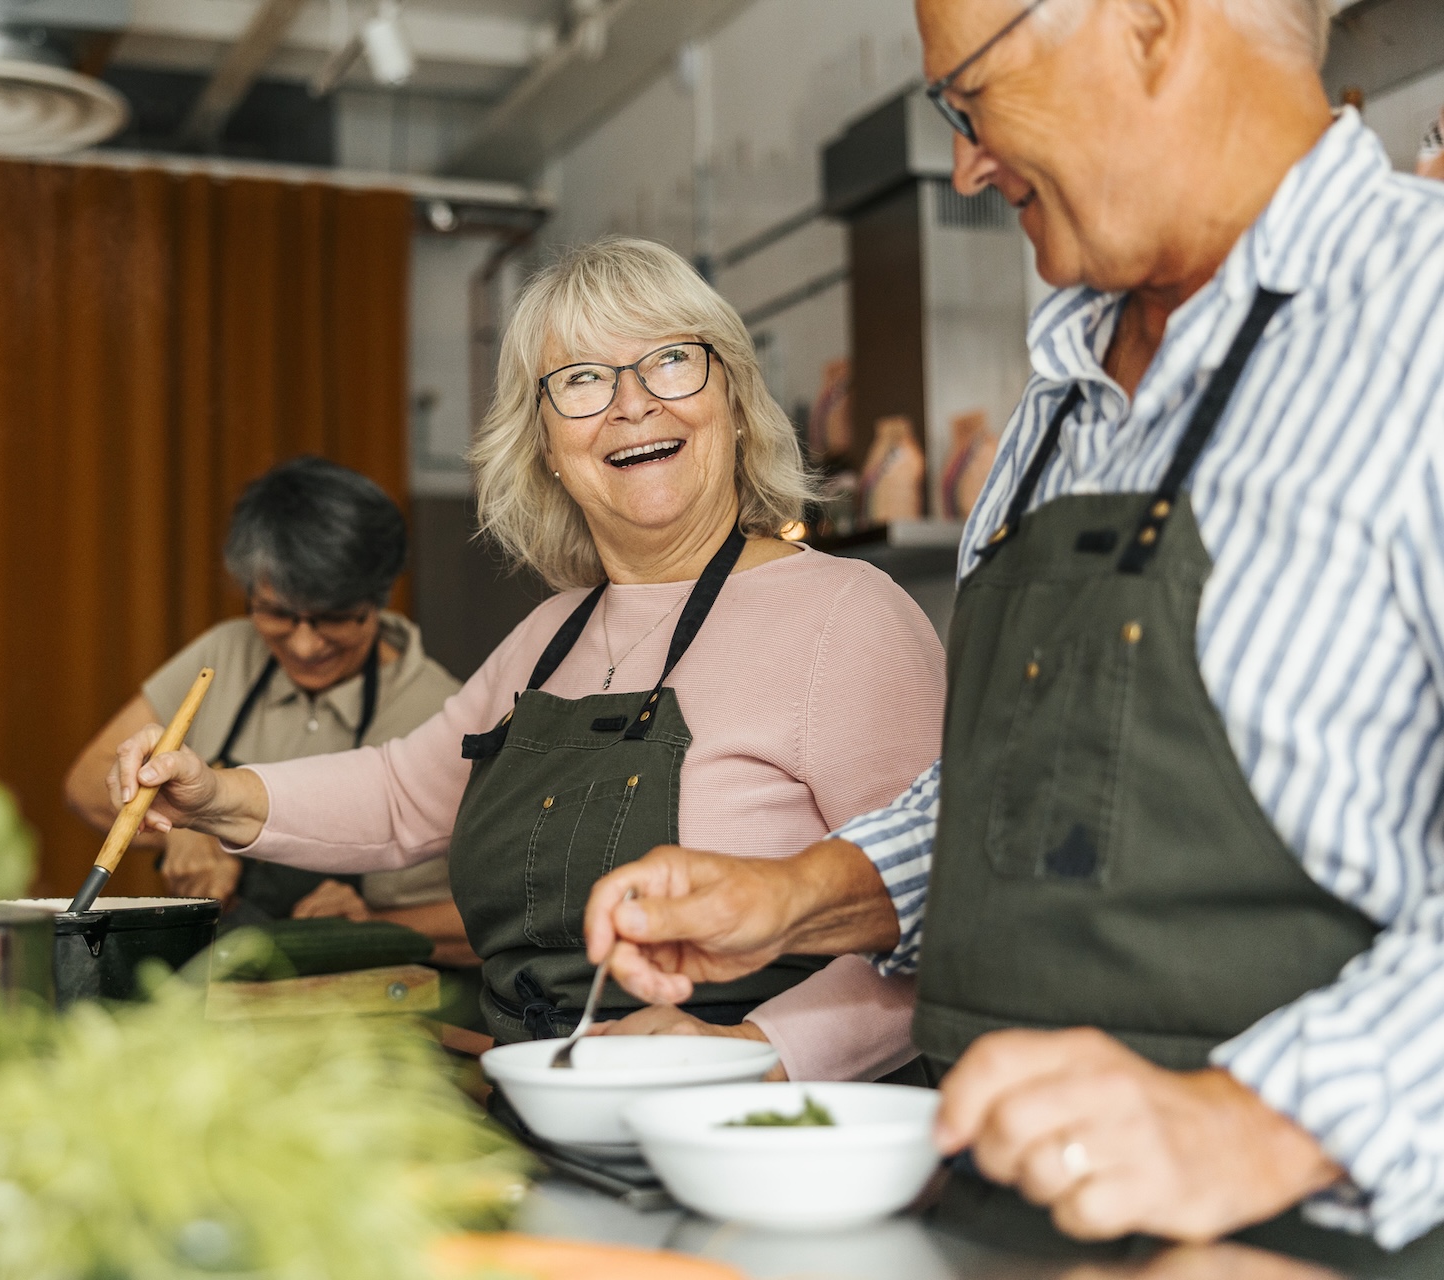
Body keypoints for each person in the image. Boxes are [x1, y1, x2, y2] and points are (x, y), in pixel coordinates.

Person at [582, 0, 1444, 1266]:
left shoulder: (1424, 329)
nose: (966, 163)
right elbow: (1038, 779)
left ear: (1150, 24)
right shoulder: (1059, 402)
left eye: (969, 95)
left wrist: (1260, 1122)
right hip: (997, 1215)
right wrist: (797, 896)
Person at [106, 237, 946, 1081]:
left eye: (670, 362)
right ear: (545, 442)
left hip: (767, 1135)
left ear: (730, 399)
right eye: (582, 380)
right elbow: (403, 797)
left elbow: (943, 914)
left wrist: (753, 1056)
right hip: (549, 1108)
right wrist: (214, 794)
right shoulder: (551, 637)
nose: (632, 404)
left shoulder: (850, 616)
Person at [65, 457, 471, 960]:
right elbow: (86, 781)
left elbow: (508, 916)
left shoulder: (445, 709)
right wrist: (184, 832)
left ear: (379, 597)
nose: (303, 645)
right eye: (277, 614)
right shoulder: (226, 654)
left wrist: (375, 925)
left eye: (334, 618)